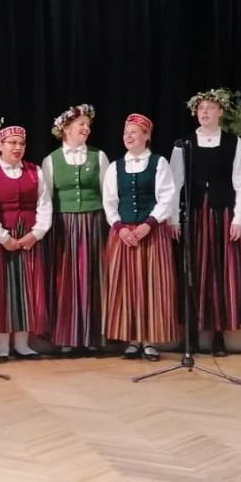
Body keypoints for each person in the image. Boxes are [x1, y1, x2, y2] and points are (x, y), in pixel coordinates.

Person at [169, 88, 241, 357]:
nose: (205, 112)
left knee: (219, 272)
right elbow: (175, 184)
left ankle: (218, 335)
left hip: (221, 212)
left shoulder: (232, 142)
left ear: (221, 112)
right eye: (201, 108)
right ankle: (191, 335)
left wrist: (238, 218)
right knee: (191, 271)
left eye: (210, 107)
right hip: (193, 214)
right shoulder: (183, 143)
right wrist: (174, 218)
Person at [102, 114, 180, 361]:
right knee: (127, 286)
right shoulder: (115, 167)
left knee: (152, 285)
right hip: (124, 234)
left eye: (134, 132)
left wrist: (149, 223)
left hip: (152, 233)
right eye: (126, 132)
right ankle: (132, 340)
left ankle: (150, 341)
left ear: (146, 136)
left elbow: (167, 197)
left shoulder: (159, 163)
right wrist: (120, 228)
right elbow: (110, 201)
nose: (128, 136)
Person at [41, 104, 110, 356]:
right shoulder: (51, 160)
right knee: (66, 279)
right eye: (81, 124)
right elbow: (46, 198)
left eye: (88, 125)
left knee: (93, 277)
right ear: (66, 128)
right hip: (64, 225)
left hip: (93, 222)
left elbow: (107, 193)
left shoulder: (98, 156)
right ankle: (66, 337)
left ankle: (93, 337)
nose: (86, 128)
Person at [0, 125, 51, 362]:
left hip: (29, 236)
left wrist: (36, 233)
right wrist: (3, 237)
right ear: (0, 146)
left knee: (28, 288)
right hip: (2, 238)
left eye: (21, 143)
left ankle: (22, 345)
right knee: (3, 290)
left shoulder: (34, 171)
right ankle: (2, 347)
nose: (17, 147)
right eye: (12, 143)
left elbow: (44, 204)